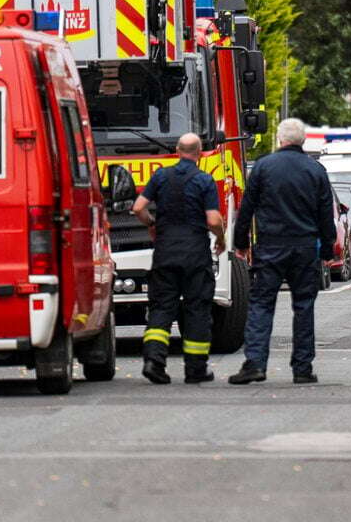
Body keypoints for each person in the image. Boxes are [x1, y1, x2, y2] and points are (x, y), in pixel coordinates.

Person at [229, 118, 336, 385]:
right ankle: (302, 368)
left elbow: (247, 209)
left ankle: (254, 363)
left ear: (280, 139)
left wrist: (241, 242)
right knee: (303, 306)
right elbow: (325, 213)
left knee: (262, 304)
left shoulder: (264, 167)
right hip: (304, 247)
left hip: (270, 246)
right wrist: (327, 246)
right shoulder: (315, 170)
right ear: (302, 141)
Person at [131, 133, 226, 385]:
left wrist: (152, 225)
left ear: (177, 150)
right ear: (199, 152)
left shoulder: (161, 176)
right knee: (197, 309)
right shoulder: (204, 180)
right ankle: (195, 369)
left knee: (162, 307)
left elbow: (138, 207)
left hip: (165, 252)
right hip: (195, 254)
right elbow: (214, 219)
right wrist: (221, 237)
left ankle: (153, 361)